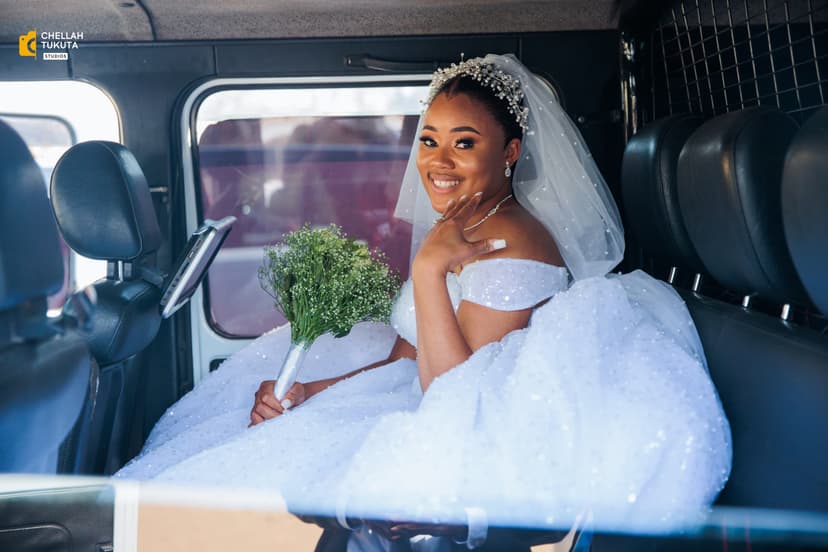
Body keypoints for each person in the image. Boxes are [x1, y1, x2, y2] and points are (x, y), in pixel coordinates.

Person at [116, 54, 731, 550]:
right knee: (221, 449)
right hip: (415, 394)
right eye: (430, 139)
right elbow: (407, 354)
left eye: (464, 143)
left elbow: (452, 395)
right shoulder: (464, 220)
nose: (438, 161)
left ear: (510, 152)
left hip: (465, 430)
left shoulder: (511, 242)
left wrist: (432, 271)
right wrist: (312, 392)